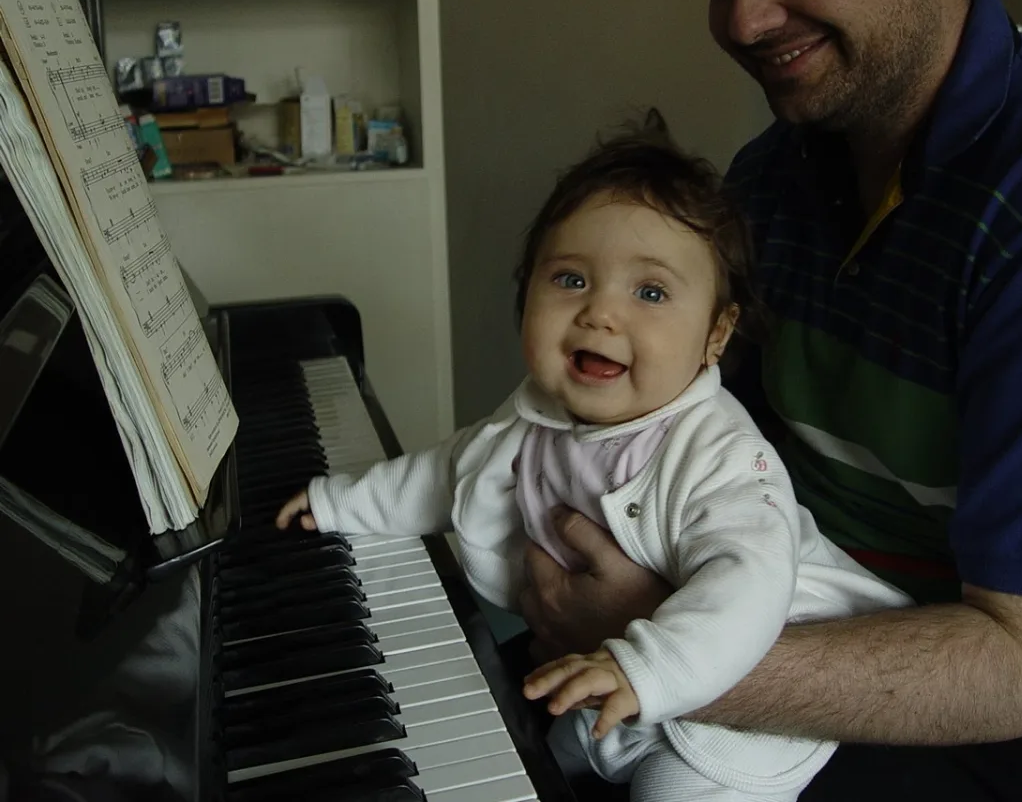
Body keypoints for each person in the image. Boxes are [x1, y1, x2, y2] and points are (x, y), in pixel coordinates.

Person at [516, 0, 1022, 801]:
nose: (744, 19)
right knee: (470, 702)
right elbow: (703, 440)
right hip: (791, 601)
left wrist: (654, 645)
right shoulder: (774, 172)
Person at [274, 118, 912, 802]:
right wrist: (340, 503)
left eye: (651, 293)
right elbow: (444, 471)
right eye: (571, 279)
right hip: (613, 674)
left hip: (746, 697)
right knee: (530, 755)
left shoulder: (723, 457)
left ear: (715, 334)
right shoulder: (537, 417)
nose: (601, 314)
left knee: (674, 790)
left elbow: (746, 586)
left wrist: (648, 668)